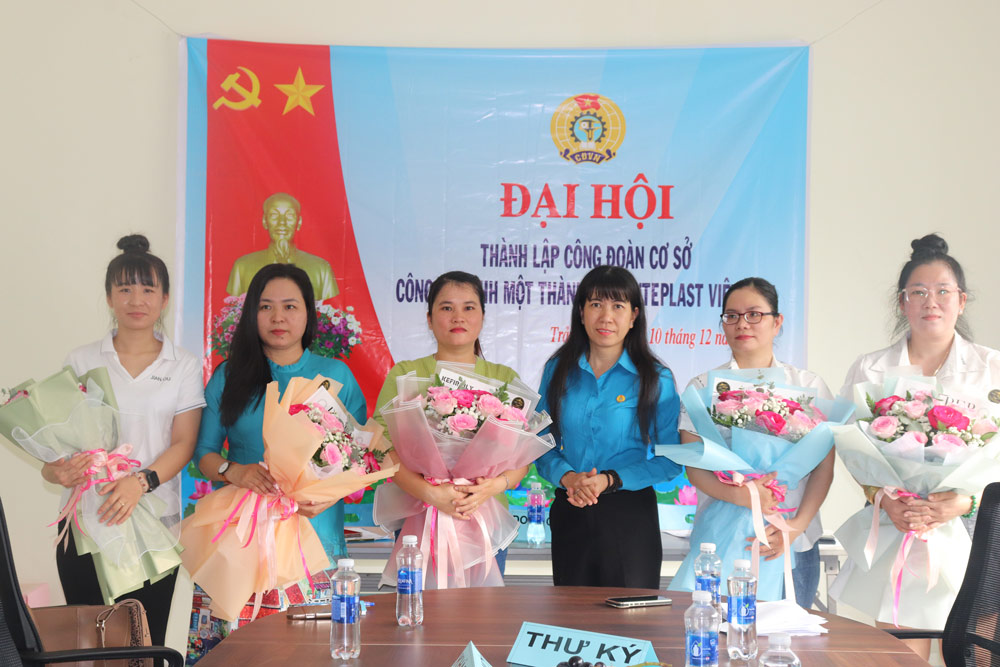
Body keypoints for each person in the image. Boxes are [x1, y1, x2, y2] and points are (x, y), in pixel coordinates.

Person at [831, 233, 1000, 660]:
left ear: (962, 301)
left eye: (944, 291)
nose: (932, 302)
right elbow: (855, 451)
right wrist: (886, 500)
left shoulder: (992, 368)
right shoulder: (871, 368)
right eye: (919, 292)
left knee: (971, 650)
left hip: (976, 532)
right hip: (898, 526)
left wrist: (964, 502)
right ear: (902, 302)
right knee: (899, 653)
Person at [44, 234, 205, 646]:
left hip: (154, 527)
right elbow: (57, 445)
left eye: (148, 288)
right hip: (87, 530)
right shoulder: (81, 360)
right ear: (110, 297)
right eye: (125, 288)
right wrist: (56, 470)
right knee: (87, 651)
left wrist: (141, 482)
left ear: (165, 298)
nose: (137, 299)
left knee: (142, 648)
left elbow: (184, 443)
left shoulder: (184, 366)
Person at [670, 277, 835, 607]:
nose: (742, 323)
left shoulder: (807, 385)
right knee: (716, 644)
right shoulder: (703, 386)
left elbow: (823, 469)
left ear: (777, 322)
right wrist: (744, 496)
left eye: (754, 314)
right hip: (721, 538)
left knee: (787, 651)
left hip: (791, 543)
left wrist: (795, 528)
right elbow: (695, 468)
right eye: (731, 316)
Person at [196, 263, 366, 568]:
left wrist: (328, 497)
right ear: (252, 314)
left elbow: (363, 457)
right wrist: (234, 471)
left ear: (307, 314)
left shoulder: (335, 375)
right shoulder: (228, 376)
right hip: (246, 534)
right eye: (266, 307)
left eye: (290, 306)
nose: (278, 317)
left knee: (317, 617)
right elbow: (204, 453)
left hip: (316, 530)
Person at [373, 270, 528, 577]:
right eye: (447, 308)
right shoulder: (407, 374)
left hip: (485, 518)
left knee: (482, 619)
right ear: (430, 319)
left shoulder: (504, 378)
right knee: (416, 614)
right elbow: (380, 446)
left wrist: (491, 488)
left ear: (483, 316)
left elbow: (522, 456)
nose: (458, 316)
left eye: (469, 307)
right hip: (419, 515)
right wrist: (428, 492)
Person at [535, 265, 682, 588]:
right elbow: (538, 438)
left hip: (629, 515)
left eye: (618, 306)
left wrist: (611, 480)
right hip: (571, 506)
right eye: (596, 304)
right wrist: (567, 476)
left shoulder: (656, 379)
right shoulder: (558, 370)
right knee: (572, 625)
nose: (606, 317)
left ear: (634, 316)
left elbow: (671, 459)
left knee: (630, 625)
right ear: (581, 312)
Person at [226, 192, 339, 301]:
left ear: (299, 222)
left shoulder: (321, 269)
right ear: (265, 221)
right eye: (274, 215)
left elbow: (328, 314)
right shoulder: (242, 267)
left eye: (289, 215)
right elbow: (235, 312)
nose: (282, 222)